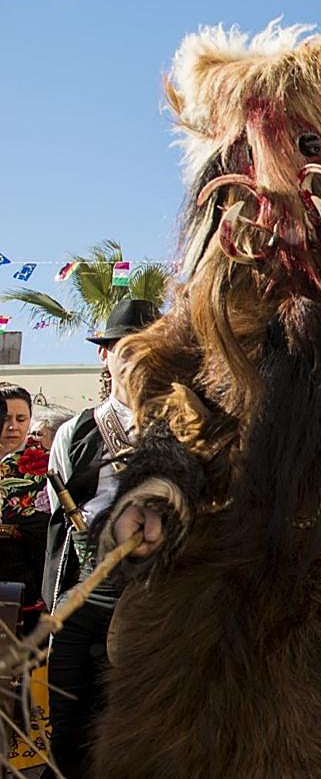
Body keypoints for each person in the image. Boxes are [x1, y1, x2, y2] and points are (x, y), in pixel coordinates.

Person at [42, 298, 159, 779]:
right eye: (124, 349)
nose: (135, 360)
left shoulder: (182, 427)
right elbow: (56, 521)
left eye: (146, 350)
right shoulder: (73, 432)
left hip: (154, 599)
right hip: (83, 597)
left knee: (144, 732)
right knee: (68, 729)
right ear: (104, 356)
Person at [0, 382, 49, 636]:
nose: (13, 426)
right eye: (6, 418)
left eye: (21, 418)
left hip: (25, 591)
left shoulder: (44, 467)